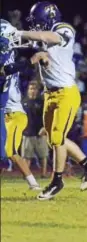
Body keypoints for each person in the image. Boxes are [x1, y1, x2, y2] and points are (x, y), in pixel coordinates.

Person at [15, 2, 87, 200]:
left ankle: (57, 180)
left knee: (57, 136)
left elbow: (48, 37)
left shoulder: (63, 28)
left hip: (66, 93)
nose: (35, 26)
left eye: (38, 22)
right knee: (52, 136)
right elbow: (31, 45)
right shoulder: (43, 37)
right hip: (50, 94)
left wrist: (20, 33)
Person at [0, 19, 45, 190]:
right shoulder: (10, 56)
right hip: (5, 112)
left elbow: (7, 68)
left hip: (14, 113)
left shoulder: (9, 55)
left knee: (10, 152)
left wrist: (38, 50)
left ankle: (34, 184)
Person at [22, 81, 49, 178]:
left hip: (40, 133)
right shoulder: (23, 102)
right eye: (31, 89)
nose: (32, 91)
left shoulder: (41, 102)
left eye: (34, 89)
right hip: (27, 133)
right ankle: (27, 175)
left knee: (43, 156)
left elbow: (47, 116)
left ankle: (43, 174)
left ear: (37, 91)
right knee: (26, 156)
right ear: (28, 90)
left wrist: (45, 128)